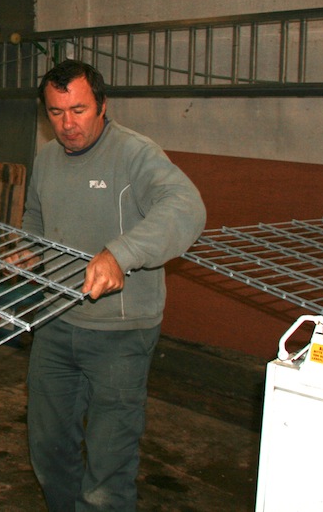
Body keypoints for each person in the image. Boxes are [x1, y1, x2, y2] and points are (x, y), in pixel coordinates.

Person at [15, 60, 205, 511]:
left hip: (121, 334)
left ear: (102, 105)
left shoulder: (135, 154)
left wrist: (121, 253)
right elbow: (36, 216)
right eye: (56, 112)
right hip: (55, 321)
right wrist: (28, 249)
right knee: (48, 449)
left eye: (78, 110)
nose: (67, 124)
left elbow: (186, 207)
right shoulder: (47, 158)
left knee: (108, 468)